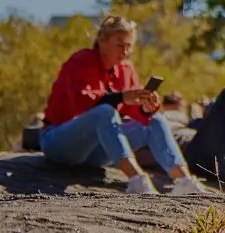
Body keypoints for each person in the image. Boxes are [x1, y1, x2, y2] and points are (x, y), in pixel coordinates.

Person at [39, 15, 208, 195]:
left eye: (129, 46)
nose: (125, 52)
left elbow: (134, 112)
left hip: (96, 152)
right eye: (120, 45)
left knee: (155, 120)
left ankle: (183, 180)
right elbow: (82, 105)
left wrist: (145, 107)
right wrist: (121, 97)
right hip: (60, 143)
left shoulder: (125, 69)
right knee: (105, 111)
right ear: (102, 41)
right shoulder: (82, 60)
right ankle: (137, 179)